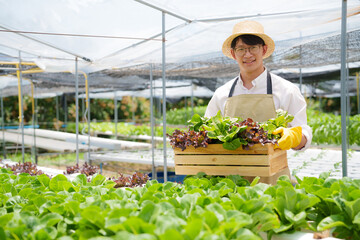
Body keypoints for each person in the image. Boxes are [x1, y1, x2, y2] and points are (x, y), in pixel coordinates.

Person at [205, 20, 312, 152]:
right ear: (233, 54)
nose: (248, 54)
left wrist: (295, 137)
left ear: (264, 49)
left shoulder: (287, 90)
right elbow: (206, 131)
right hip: (232, 171)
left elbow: (303, 136)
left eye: (253, 47)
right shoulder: (221, 94)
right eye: (241, 49)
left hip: (272, 170)